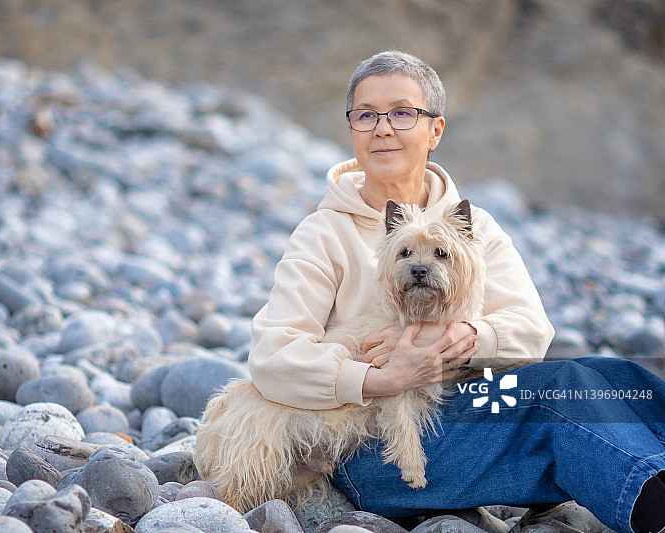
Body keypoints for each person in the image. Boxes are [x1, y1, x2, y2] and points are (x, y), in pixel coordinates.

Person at [246, 50, 665, 533]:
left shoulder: (474, 226)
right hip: (373, 451)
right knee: (556, 395)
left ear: (435, 130)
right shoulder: (323, 235)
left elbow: (532, 332)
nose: (382, 128)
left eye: (402, 112)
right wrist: (378, 378)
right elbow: (272, 358)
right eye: (366, 115)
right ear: (352, 130)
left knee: (608, 375)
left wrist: (458, 338)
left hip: (463, 412)